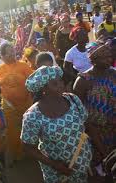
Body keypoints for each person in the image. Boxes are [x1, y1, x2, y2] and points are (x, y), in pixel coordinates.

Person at [22, 66, 92, 182]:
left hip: (82, 161)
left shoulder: (72, 99)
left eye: (60, 81)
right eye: (55, 83)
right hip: (57, 173)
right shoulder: (32, 116)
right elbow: (28, 146)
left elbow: (87, 124)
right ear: (43, 89)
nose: (61, 85)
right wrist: (54, 164)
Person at [73, 44, 116, 176]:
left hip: (113, 128)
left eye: (110, 56)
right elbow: (78, 110)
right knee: (98, 166)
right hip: (94, 132)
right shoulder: (83, 80)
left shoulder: (114, 74)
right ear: (94, 59)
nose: (109, 59)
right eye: (105, 57)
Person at [0, 43, 33, 161]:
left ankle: (29, 151)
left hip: (26, 103)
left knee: (27, 128)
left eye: (13, 50)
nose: (12, 53)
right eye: (8, 52)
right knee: (12, 130)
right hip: (8, 105)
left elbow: (32, 80)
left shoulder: (23, 66)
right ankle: (16, 153)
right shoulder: (0, 68)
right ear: (1, 56)